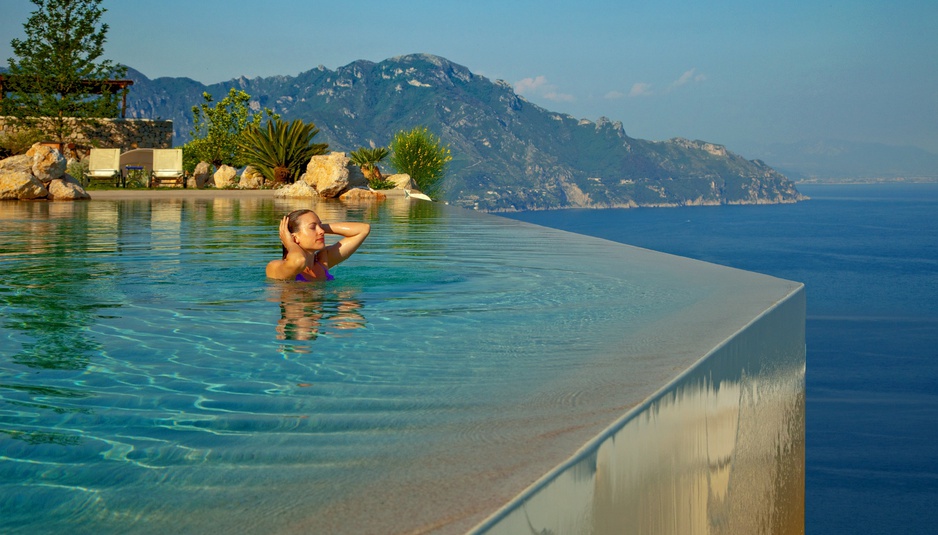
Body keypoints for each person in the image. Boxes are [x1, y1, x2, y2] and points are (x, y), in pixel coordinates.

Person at [266, 209, 370, 281]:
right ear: (295, 238)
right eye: (312, 227)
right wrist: (289, 242)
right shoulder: (275, 267)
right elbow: (299, 261)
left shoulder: (322, 261)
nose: (322, 231)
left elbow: (363, 229)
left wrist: (320, 226)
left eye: (320, 226)